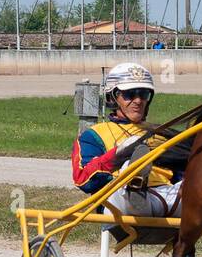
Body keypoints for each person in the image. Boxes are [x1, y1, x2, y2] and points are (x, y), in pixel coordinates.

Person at [71, 63, 182, 217]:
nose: (138, 101)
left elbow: (181, 174)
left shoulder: (162, 134)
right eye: (130, 94)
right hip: (117, 199)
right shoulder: (93, 135)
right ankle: (134, 182)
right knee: (129, 180)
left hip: (167, 196)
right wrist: (119, 154)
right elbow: (83, 180)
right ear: (112, 97)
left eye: (143, 94)